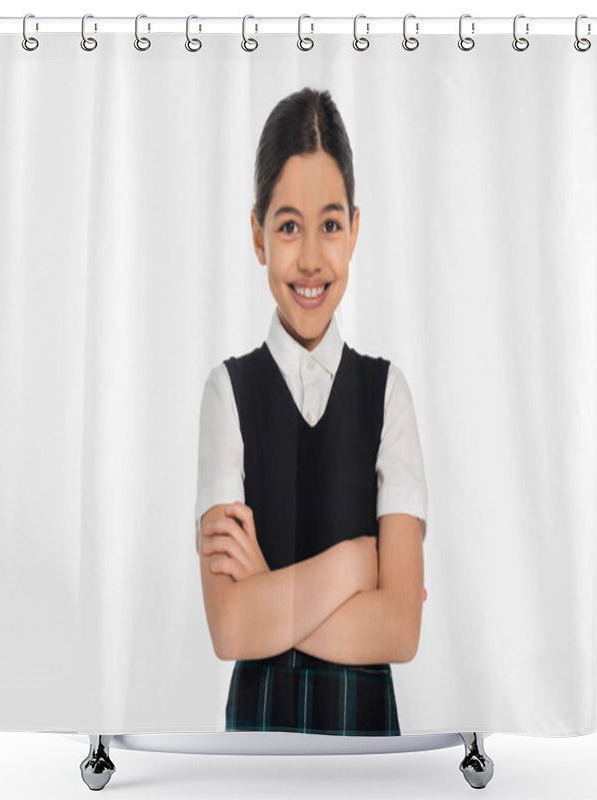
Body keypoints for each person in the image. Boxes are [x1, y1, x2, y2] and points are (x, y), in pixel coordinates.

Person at [195, 87, 428, 736]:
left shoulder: (388, 394)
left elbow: (401, 628)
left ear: (354, 231)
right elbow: (231, 627)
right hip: (258, 736)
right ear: (257, 235)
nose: (310, 259)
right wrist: (357, 564)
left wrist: (270, 589)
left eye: (329, 224)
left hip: (366, 739)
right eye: (288, 225)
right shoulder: (228, 393)